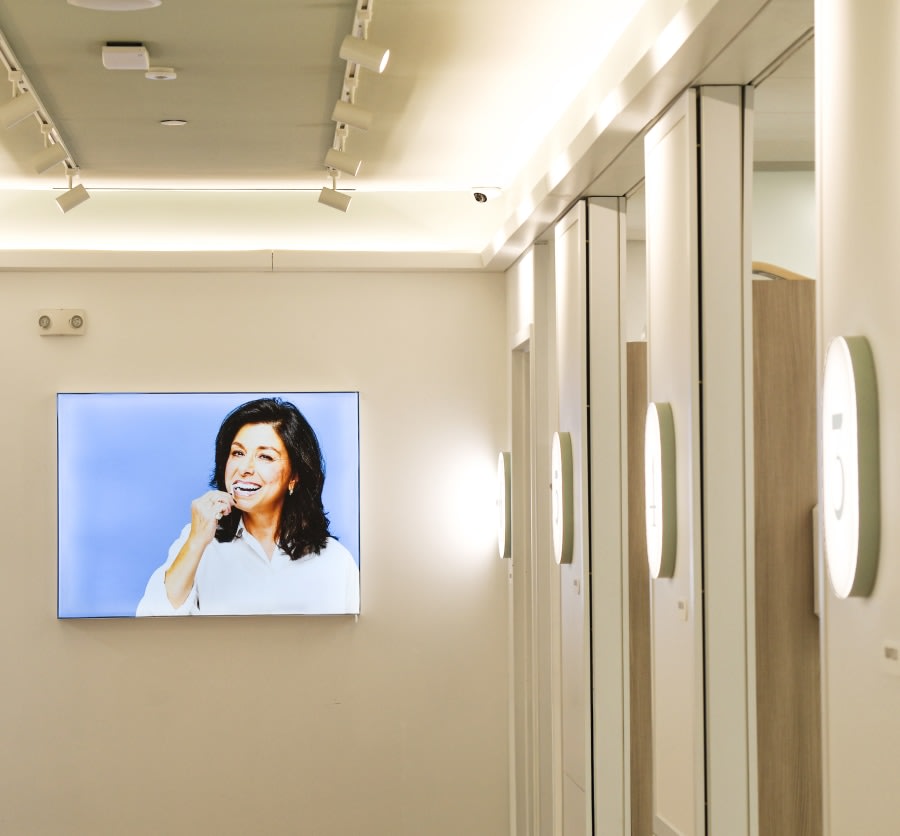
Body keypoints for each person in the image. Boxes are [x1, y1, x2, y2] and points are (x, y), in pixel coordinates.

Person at [136, 397, 359, 616]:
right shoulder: (199, 542)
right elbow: (149, 621)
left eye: (265, 457)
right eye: (238, 453)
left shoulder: (335, 561)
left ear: (294, 477)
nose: (244, 467)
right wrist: (195, 542)